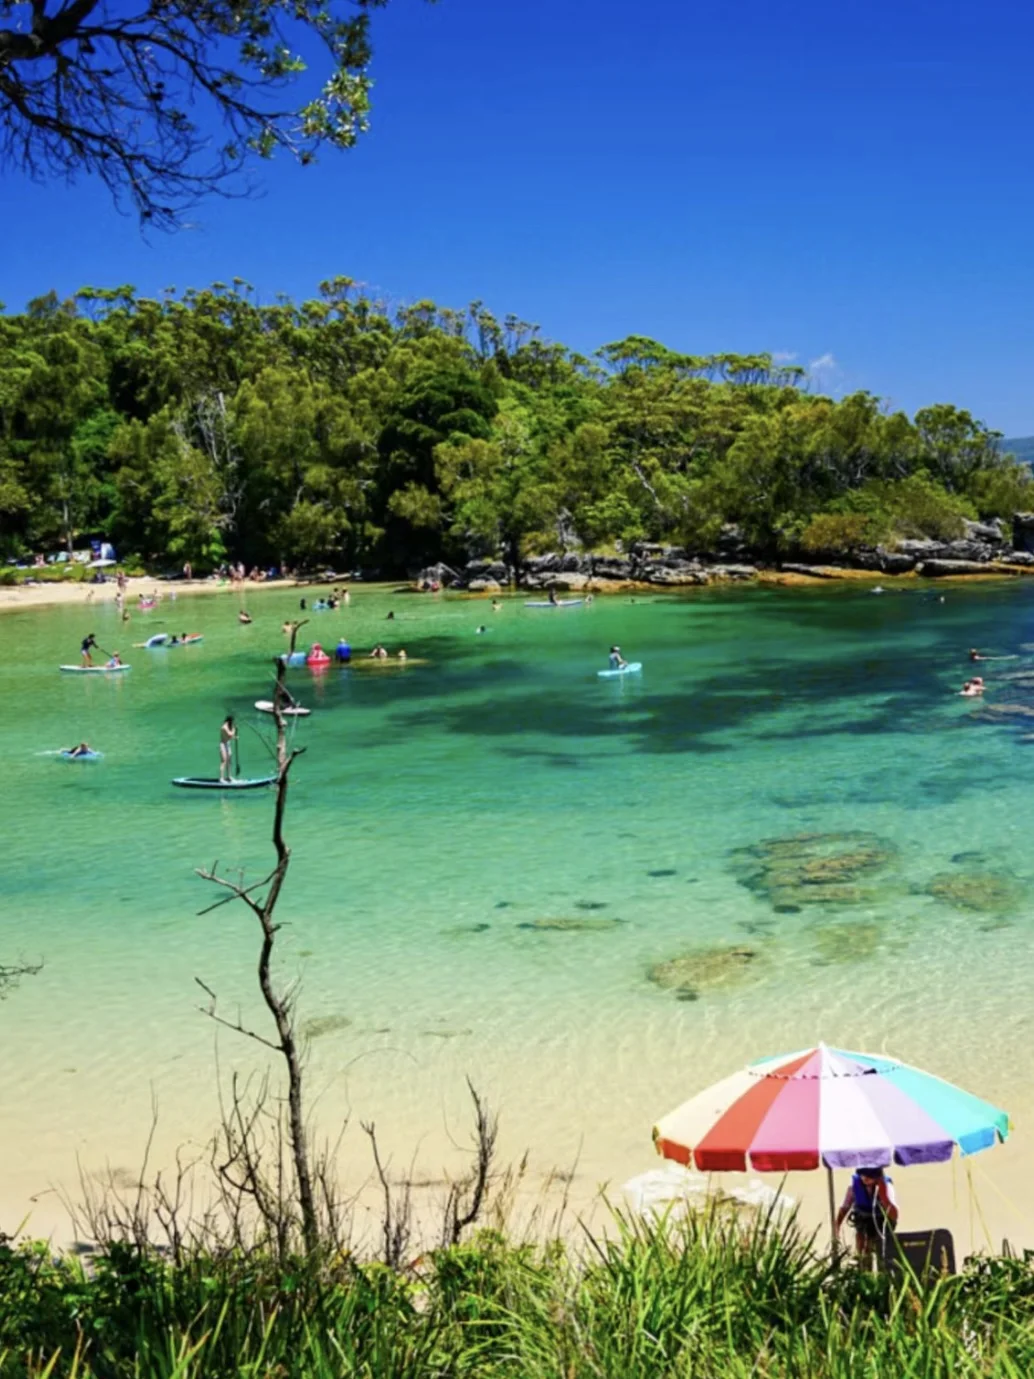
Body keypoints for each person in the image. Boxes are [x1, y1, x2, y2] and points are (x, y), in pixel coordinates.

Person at [835, 1167, 898, 1258]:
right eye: (862, 1174)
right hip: (863, 1220)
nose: (865, 1178)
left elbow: (894, 1215)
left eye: (869, 1175)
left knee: (882, 1252)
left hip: (881, 1221)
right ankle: (863, 1266)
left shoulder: (887, 1186)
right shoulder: (854, 1185)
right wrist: (837, 1226)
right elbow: (845, 1206)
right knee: (863, 1250)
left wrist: (884, 1197)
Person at [219, 715, 237, 783]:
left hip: (227, 744)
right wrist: (234, 729)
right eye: (232, 722)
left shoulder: (229, 727)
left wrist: (235, 737)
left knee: (229, 761)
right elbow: (230, 734)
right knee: (224, 761)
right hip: (223, 745)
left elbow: (229, 737)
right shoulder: (224, 727)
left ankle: (229, 777)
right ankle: (221, 779)